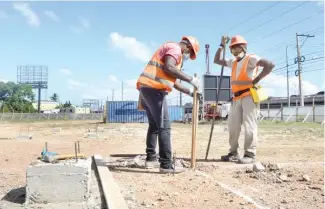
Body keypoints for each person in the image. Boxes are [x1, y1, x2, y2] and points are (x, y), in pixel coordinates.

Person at [136, 36, 200, 173]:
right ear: (188, 47)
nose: (187, 55)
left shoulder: (170, 49)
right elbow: (169, 68)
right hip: (154, 90)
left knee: (154, 125)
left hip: (146, 89)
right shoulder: (175, 49)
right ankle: (165, 165)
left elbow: (172, 80)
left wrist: (189, 91)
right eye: (189, 53)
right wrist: (190, 79)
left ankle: (151, 159)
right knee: (164, 126)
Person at [214, 35, 275, 164]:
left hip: (249, 96)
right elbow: (217, 60)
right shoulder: (233, 62)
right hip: (236, 97)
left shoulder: (251, 58)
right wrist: (221, 46)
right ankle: (233, 153)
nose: (235, 52)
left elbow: (270, 65)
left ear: (244, 48)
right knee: (233, 126)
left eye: (237, 48)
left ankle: (250, 154)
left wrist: (256, 80)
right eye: (232, 49)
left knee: (250, 126)